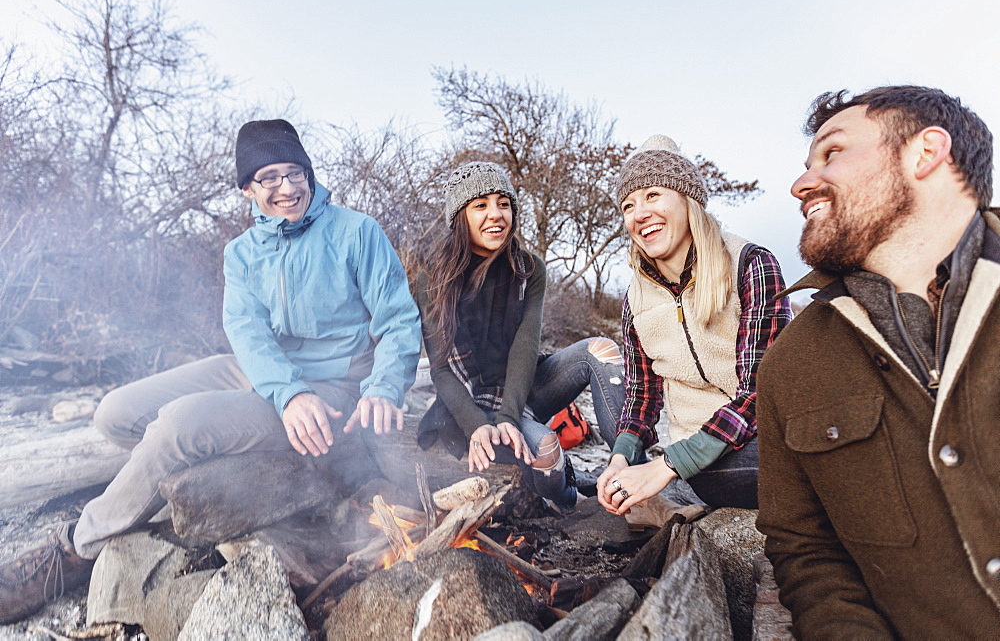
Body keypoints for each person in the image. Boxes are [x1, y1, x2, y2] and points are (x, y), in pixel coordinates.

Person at [0, 119, 422, 624]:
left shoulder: (356, 232)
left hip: (332, 390)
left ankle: (72, 549)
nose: (286, 188)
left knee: (179, 426)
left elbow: (399, 320)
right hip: (267, 380)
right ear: (247, 187)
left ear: (309, 174)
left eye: (295, 173)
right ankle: (160, 483)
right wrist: (286, 394)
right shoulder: (241, 253)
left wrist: (382, 388)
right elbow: (247, 333)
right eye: (269, 178)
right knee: (115, 414)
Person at [755, 86, 1000, 637]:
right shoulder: (792, 364)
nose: (800, 185)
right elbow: (806, 551)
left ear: (926, 152)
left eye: (832, 152)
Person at [596, 135, 791, 524]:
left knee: (810, 464)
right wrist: (622, 457)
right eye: (628, 205)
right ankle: (649, 499)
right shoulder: (635, 300)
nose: (639, 214)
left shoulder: (750, 265)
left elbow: (762, 390)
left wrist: (666, 466)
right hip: (706, 460)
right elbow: (642, 393)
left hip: (764, 436)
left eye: (653, 195)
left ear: (688, 200)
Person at [414, 161, 626, 511]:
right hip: (474, 401)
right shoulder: (433, 279)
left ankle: (626, 474)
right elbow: (441, 369)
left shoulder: (529, 269)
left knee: (600, 350)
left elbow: (525, 348)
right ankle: (571, 498)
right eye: (480, 205)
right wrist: (478, 425)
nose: (496, 214)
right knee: (546, 452)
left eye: (504, 203)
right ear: (460, 217)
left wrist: (511, 417)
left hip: (525, 386)